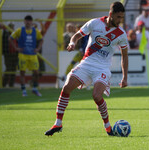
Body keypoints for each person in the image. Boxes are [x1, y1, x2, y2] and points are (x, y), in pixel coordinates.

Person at [45, 1, 129, 136]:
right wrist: (72, 43)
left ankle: (108, 127)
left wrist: (125, 77)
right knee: (66, 87)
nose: (120, 20)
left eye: (122, 18)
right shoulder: (94, 23)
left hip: (102, 68)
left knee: (96, 96)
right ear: (110, 14)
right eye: (118, 17)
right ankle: (58, 124)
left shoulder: (121, 34)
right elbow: (77, 35)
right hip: (86, 63)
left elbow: (125, 56)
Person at [9, 15, 43, 97]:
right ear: (24, 21)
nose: (28, 22)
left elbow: (41, 40)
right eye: (26, 20)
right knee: (22, 72)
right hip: (23, 55)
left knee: (36, 72)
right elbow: (10, 38)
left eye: (29, 21)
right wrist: (16, 48)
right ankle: (24, 91)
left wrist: (38, 48)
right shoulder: (20, 30)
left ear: (31, 22)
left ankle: (34, 88)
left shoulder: (35, 31)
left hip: (33, 55)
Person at [2, 22, 18, 87]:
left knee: (14, 69)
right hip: (8, 53)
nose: (12, 28)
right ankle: (3, 83)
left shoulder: (16, 34)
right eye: (10, 26)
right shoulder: (5, 34)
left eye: (12, 26)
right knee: (8, 69)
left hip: (15, 53)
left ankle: (11, 84)